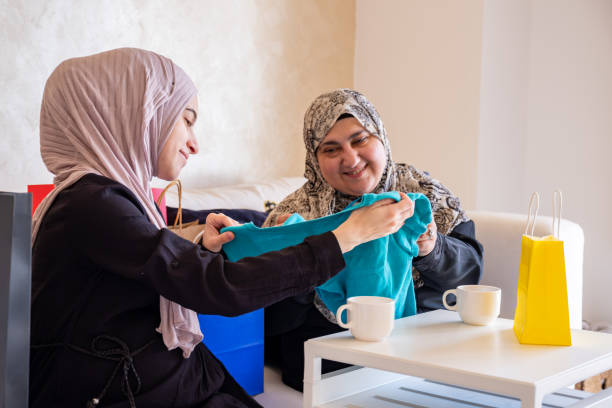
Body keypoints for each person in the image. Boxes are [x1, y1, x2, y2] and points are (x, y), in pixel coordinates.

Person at [29, 50, 415, 408]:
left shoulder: (99, 199)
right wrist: (348, 235)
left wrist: (196, 240)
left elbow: (138, 262)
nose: (194, 145)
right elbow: (218, 286)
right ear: (135, 113)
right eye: (186, 120)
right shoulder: (92, 203)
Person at [263, 88, 484, 391]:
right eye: (330, 149)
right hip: (329, 355)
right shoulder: (294, 214)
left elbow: (471, 276)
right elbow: (269, 320)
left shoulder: (425, 196)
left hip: (418, 343)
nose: (350, 158)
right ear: (315, 159)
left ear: (380, 136)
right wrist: (305, 259)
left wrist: (430, 247)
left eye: (360, 140)